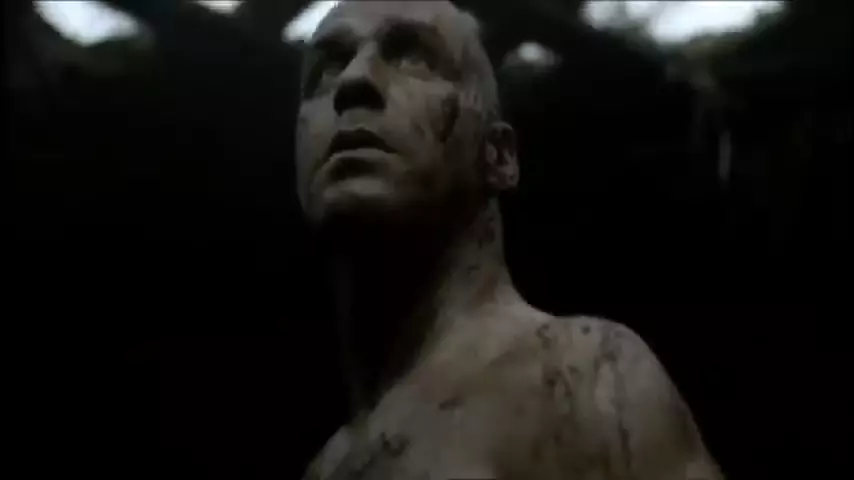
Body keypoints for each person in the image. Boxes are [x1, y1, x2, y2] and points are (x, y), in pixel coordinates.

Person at [295, 1, 723, 478]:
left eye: (413, 57)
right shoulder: (327, 466)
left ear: (498, 156)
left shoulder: (584, 376)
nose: (353, 80)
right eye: (326, 68)